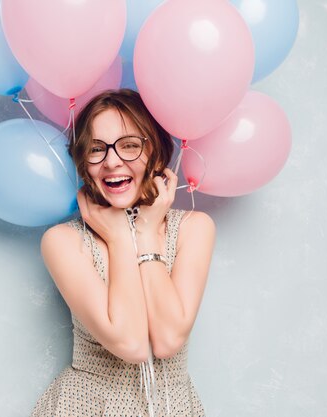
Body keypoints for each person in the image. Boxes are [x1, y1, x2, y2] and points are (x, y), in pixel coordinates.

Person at [32, 89, 215, 416]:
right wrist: (118, 237)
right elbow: (130, 344)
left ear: (156, 155)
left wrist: (144, 233)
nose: (112, 161)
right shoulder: (63, 241)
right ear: (84, 164)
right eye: (96, 149)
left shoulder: (193, 228)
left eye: (130, 145)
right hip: (86, 406)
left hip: (171, 407)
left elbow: (167, 341)